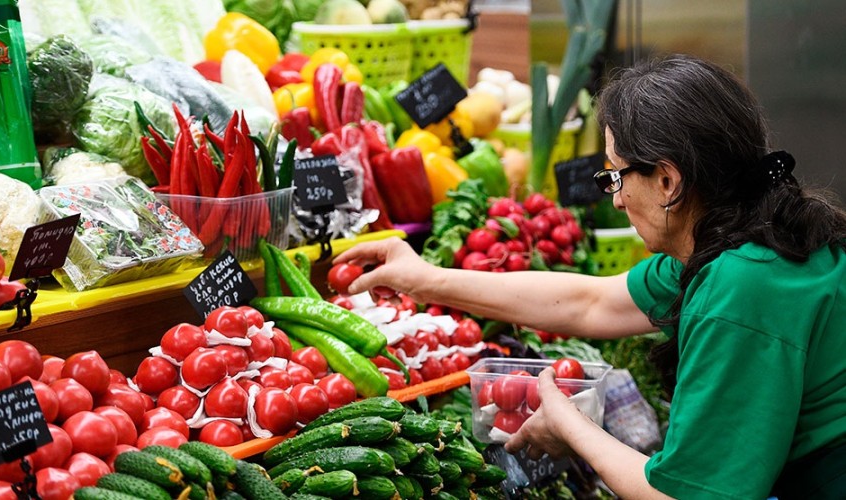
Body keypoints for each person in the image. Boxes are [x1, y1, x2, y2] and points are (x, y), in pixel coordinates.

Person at [334, 54, 846, 499]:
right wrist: (422, 278)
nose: (617, 198)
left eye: (617, 176)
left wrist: (572, 426)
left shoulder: (740, 287)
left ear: (668, 180)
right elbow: (592, 302)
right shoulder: (745, 236)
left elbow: (679, 496)